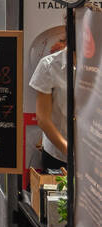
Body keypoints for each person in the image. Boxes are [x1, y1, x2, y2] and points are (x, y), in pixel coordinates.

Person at [29, 40, 69, 171]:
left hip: (93, 154)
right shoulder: (49, 65)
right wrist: (69, 150)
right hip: (58, 155)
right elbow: (43, 119)